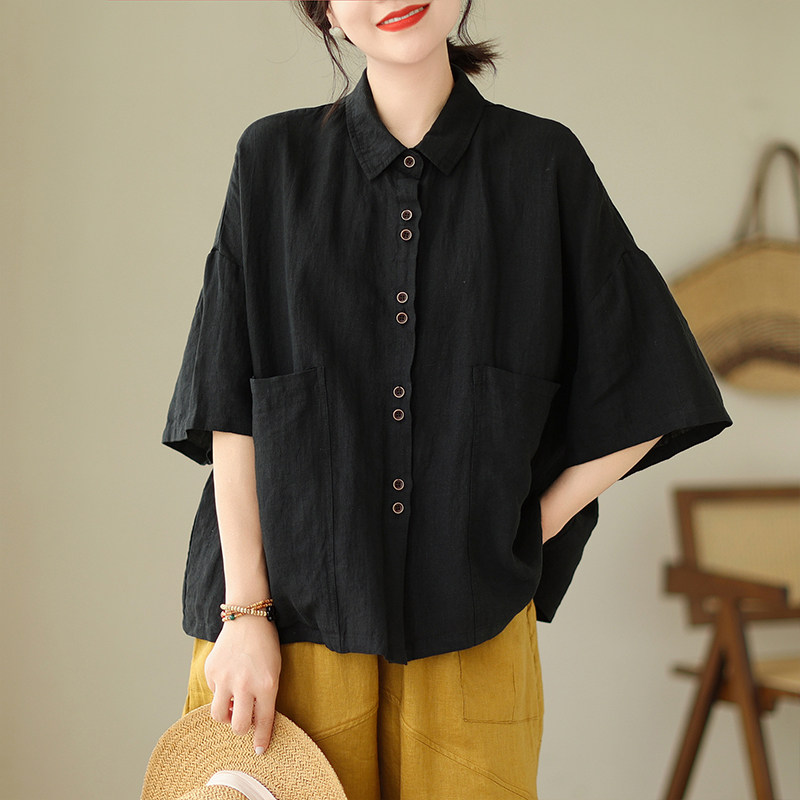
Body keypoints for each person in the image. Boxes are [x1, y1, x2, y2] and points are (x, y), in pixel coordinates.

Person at [160, 2, 733, 798]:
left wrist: (526, 526)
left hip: (473, 625)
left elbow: (656, 378)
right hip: (283, 626)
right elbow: (231, 405)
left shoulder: (543, 165)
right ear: (326, 8)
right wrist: (245, 615)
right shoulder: (273, 161)